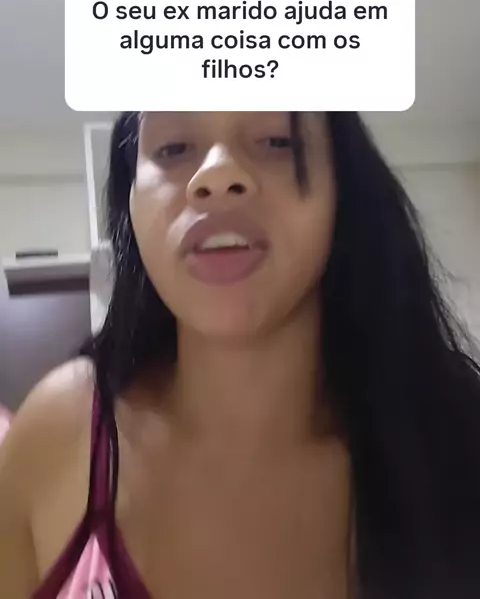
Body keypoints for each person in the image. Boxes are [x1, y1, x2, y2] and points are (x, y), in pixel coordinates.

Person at [1, 111, 480, 599]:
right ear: (131, 201)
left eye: (275, 141)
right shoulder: (63, 429)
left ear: (343, 186)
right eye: (173, 148)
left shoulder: (460, 441)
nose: (217, 175)